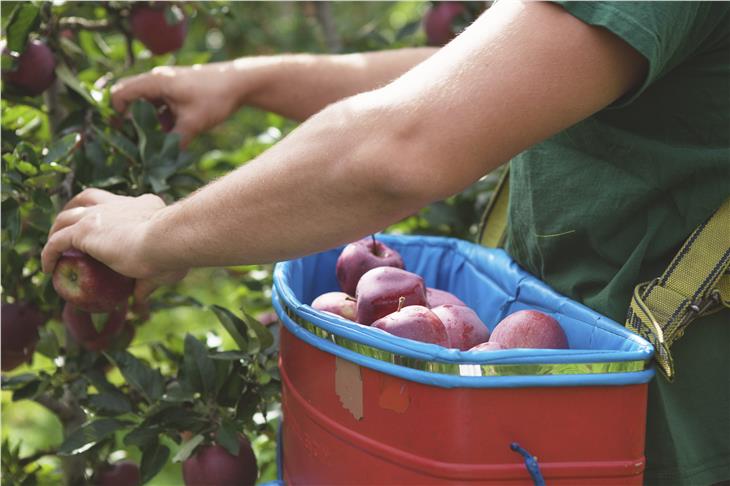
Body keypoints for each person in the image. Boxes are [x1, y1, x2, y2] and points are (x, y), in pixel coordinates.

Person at [42, 2, 729, 484]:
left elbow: (405, 145)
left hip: (655, 440)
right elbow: (475, 73)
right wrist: (247, 80)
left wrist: (161, 236)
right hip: (538, 425)